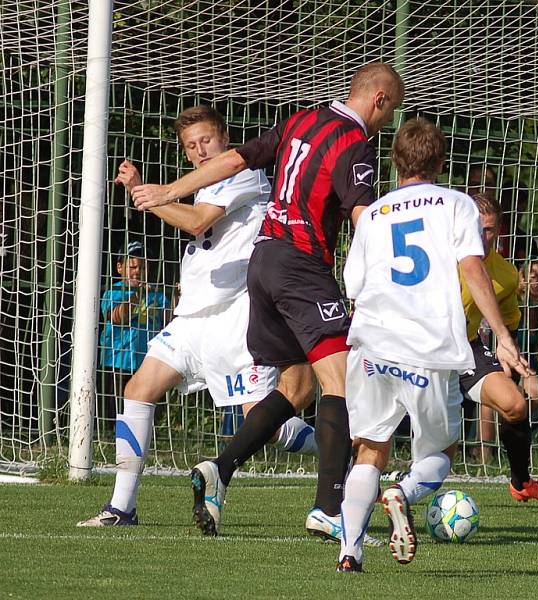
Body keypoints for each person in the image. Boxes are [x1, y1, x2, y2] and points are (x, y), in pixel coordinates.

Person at [131, 63, 405, 540]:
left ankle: (221, 468)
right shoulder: (353, 144)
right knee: (339, 384)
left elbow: (236, 159)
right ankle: (327, 507)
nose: (388, 120)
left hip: (264, 263)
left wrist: (170, 189)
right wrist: (391, 280)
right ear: (379, 99)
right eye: (392, 110)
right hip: (301, 267)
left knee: (298, 387)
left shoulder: (301, 119)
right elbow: (364, 217)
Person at [78, 105, 316, 529]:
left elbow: (197, 223)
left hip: (235, 317)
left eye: (207, 140)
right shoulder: (204, 186)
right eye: (191, 146)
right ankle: (121, 508)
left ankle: (345, 452)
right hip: (191, 319)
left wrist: (154, 198)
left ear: (225, 139)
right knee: (138, 389)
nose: (200, 151)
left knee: (265, 423)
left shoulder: (244, 174)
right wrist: (145, 193)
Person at [335, 118, 529, 572]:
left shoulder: (374, 213)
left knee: (369, 449)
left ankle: (350, 552)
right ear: (440, 161)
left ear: (395, 161)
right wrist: (502, 337)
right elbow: (474, 269)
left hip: (371, 344)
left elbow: (354, 286)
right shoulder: (456, 204)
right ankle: (401, 493)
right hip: (428, 348)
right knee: (440, 454)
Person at [460, 194, 538, 507]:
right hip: (421, 351)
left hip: (465, 349)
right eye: (476, 228)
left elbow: (505, 318)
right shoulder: (440, 259)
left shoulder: (507, 275)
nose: (482, 237)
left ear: (500, 231)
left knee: (516, 405)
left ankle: (522, 482)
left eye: (490, 230)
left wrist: (503, 344)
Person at [97, 240, 169, 422]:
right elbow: (116, 318)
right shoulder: (114, 292)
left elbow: (169, 322)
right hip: (117, 361)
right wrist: (138, 296)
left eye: (143, 267)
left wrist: (179, 296)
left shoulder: (157, 295)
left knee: (145, 408)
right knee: (116, 410)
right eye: (133, 266)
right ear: (120, 267)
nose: (138, 271)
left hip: (146, 361)